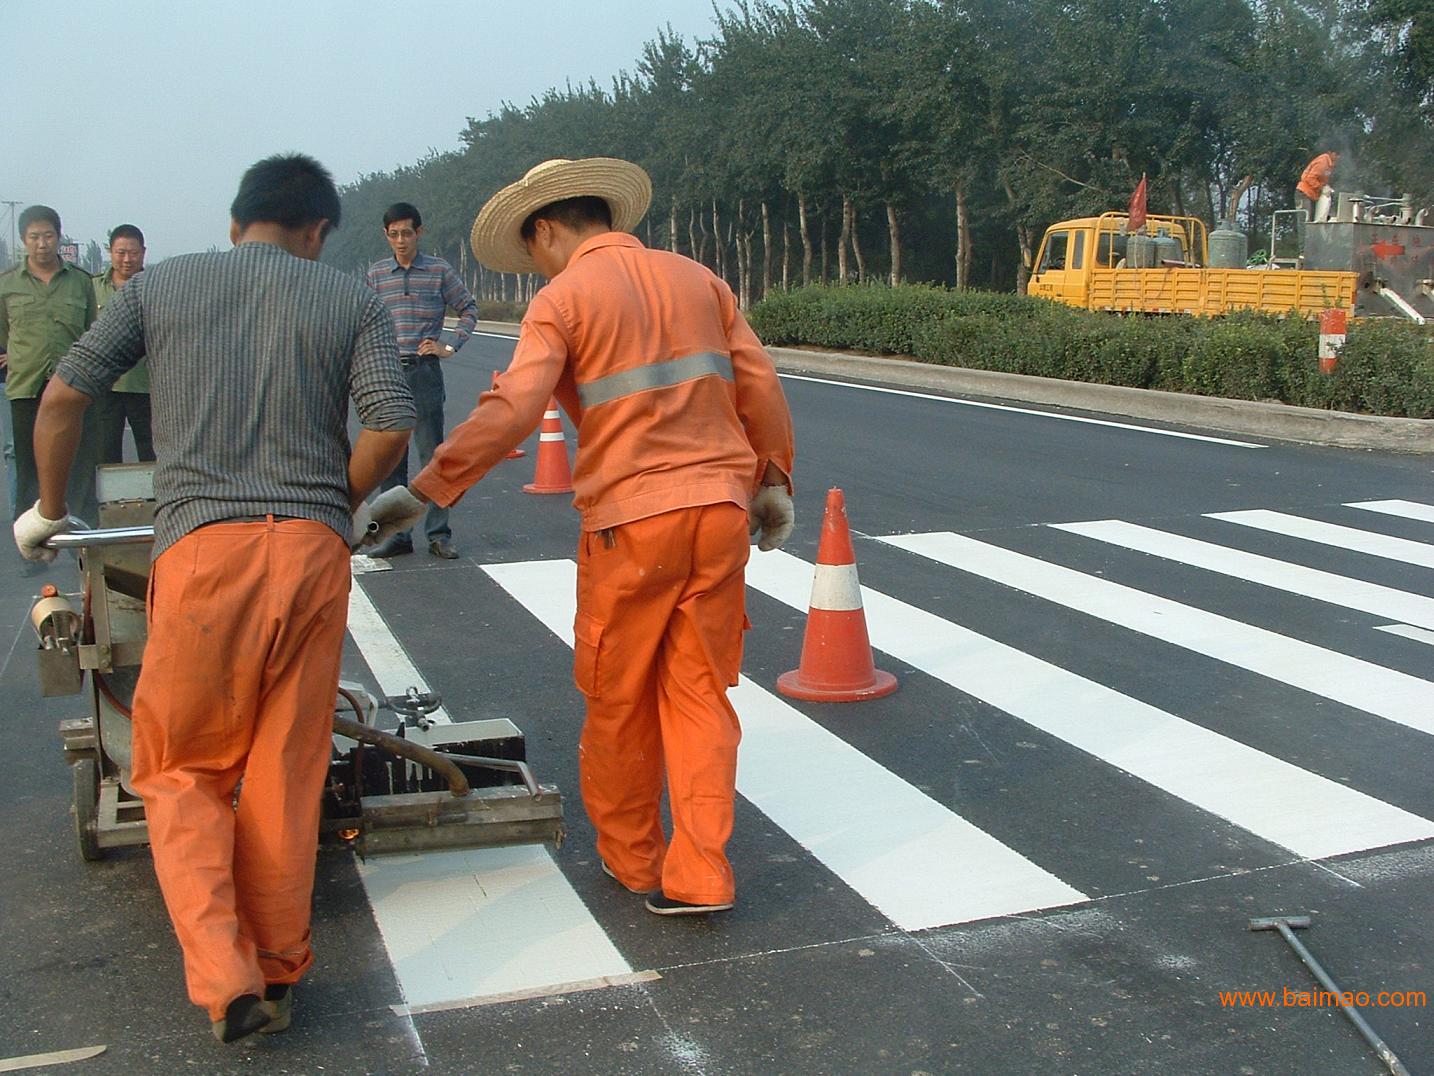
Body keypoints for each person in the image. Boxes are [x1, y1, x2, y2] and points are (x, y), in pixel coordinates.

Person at [13, 154, 415, 1043]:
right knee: (284, 769)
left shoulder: (161, 286)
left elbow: (64, 394)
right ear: (316, 231)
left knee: (180, 766)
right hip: (309, 555)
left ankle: (226, 979)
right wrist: (336, 504)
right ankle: (276, 967)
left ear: (237, 224)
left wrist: (46, 511)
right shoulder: (347, 297)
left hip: (201, 553)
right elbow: (390, 423)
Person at [369, 158, 796, 916]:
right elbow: (759, 384)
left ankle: (634, 861)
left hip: (632, 525)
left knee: (618, 696)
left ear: (546, 229)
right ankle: (703, 875)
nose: (534, 267)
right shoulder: (701, 280)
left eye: (530, 252)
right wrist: (773, 479)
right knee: (700, 693)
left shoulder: (563, 299)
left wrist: (427, 488)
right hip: (720, 513)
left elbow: (512, 409)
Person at [365, 201, 479, 560]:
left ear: (419, 232)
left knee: (433, 456)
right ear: (386, 235)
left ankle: (438, 534)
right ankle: (396, 536)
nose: (401, 240)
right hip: (387, 373)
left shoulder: (438, 271)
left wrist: (449, 345)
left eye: (407, 233)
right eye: (394, 234)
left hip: (423, 370)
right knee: (390, 458)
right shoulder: (376, 275)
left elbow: (469, 309)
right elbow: (363, 319)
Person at [0, 205, 102, 528]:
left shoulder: (80, 282)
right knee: (28, 466)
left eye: (48, 236)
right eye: (34, 237)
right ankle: (32, 536)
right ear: (23, 240)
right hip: (26, 385)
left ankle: (81, 535)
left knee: (79, 461)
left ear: (58, 237)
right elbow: (5, 331)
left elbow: (90, 329)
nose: (42, 244)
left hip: (72, 385)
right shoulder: (7, 284)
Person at [91, 224, 155, 463]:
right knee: (105, 455)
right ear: (110, 252)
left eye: (134, 253)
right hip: (105, 386)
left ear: (143, 252)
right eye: (121, 253)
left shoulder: (156, 288)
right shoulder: (92, 287)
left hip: (146, 385)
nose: (127, 259)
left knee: (152, 454)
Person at [1297, 151, 1339, 221]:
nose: (1338, 157)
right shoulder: (1323, 162)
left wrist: (1326, 186)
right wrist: (1321, 188)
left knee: (1312, 220)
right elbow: (1310, 178)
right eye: (1337, 154)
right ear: (1331, 153)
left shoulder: (1329, 164)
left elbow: (1320, 179)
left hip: (1312, 195)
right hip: (1304, 193)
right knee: (1305, 220)